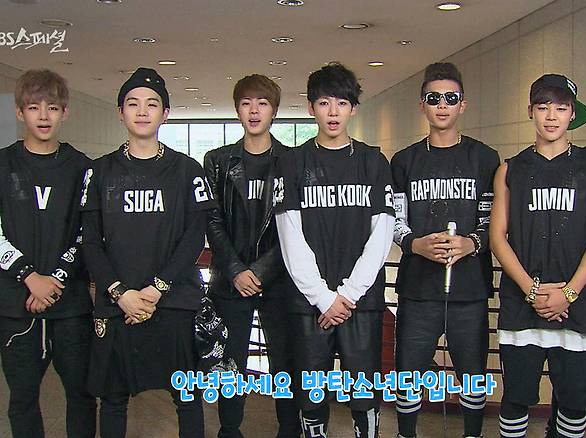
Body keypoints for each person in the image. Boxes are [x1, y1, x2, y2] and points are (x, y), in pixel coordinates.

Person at [81, 67, 212, 438]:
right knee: (113, 398)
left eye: (152, 104)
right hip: (117, 303)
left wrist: (157, 288)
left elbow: (194, 236)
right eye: (133, 103)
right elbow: (90, 242)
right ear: (120, 112)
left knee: (187, 396)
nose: (142, 111)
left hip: (174, 301)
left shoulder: (187, 170)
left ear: (165, 114)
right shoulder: (100, 172)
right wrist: (120, 293)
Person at [274, 62, 395, 438]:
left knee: (364, 393)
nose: (333, 112)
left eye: (342, 103)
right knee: (311, 395)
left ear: (353, 108)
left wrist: (348, 294)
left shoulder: (373, 162)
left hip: (361, 302)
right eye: (324, 103)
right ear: (311, 107)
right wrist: (323, 298)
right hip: (309, 302)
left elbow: (382, 235)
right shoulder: (292, 163)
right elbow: (289, 236)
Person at [490, 74, 586, 438]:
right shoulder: (510, 169)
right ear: (531, 111)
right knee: (515, 400)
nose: (552, 116)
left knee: (574, 403)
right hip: (522, 303)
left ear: (573, 113)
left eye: (561, 108)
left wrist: (568, 293)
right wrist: (532, 291)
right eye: (543, 107)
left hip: (576, 304)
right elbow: (497, 237)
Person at [391, 62, 499, 438]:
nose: (442, 105)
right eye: (433, 98)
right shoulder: (404, 161)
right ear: (422, 104)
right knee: (408, 375)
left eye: (450, 98)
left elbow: (493, 221)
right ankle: (406, 433)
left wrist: (472, 243)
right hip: (418, 291)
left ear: (462, 105)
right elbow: (395, 220)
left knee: (472, 374)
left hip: (469, 291)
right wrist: (415, 244)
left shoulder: (485, 158)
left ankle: (472, 433)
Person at [0, 69, 96, 438]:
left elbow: (88, 234)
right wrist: (28, 276)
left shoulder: (82, 167)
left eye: (52, 108)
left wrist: (53, 281)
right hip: (16, 306)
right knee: (22, 400)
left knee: (82, 396)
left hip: (71, 307)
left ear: (65, 113)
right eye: (34, 107)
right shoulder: (3, 164)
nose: (43, 116)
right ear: (19, 112)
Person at [204, 74, 300, 438]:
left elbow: (297, 226)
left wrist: (260, 271)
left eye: (262, 103)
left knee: (285, 362)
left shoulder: (292, 161)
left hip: (280, 280)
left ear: (274, 110)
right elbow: (212, 221)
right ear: (237, 110)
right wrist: (235, 270)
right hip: (230, 281)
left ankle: (288, 429)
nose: (254, 111)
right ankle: (229, 430)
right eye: (246, 103)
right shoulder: (217, 160)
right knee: (231, 363)